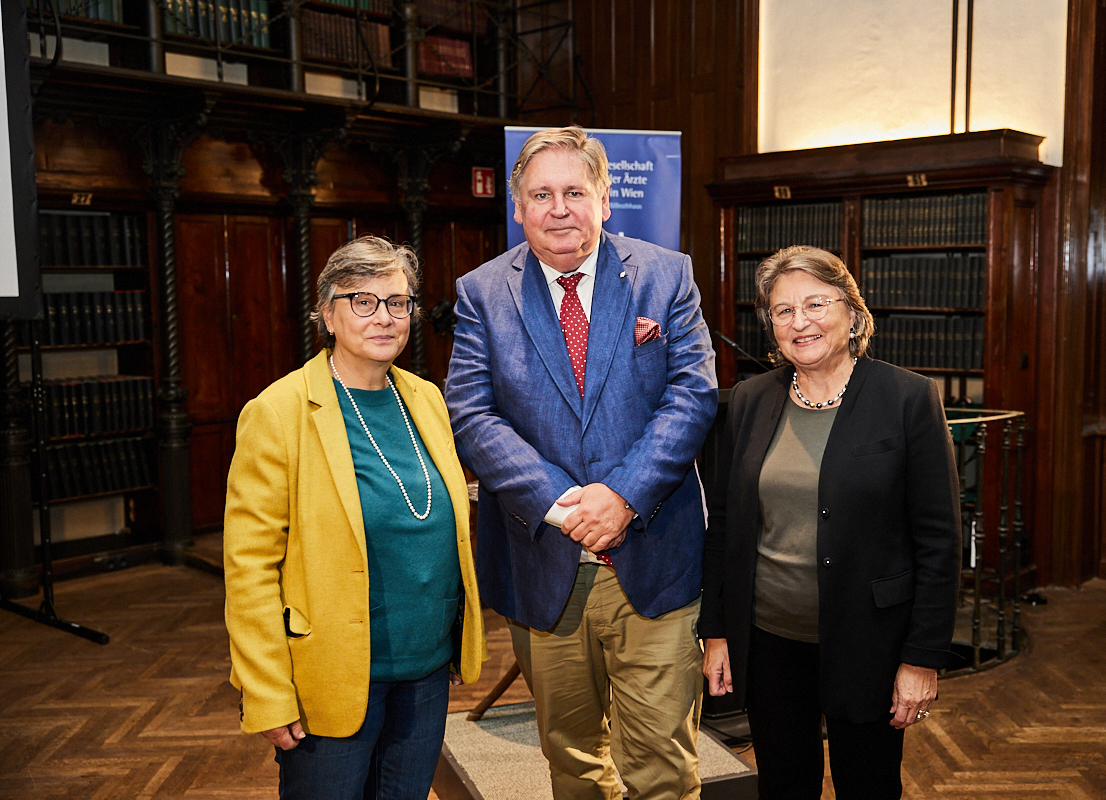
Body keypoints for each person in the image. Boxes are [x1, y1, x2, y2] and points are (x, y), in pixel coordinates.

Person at [443, 126, 718, 800]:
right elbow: (471, 413)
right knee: (572, 762)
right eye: (542, 194)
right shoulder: (482, 292)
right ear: (518, 207)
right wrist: (562, 504)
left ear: (604, 199)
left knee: (662, 766)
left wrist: (622, 495)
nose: (559, 208)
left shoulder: (666, 274)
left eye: (574, 191)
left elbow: (693, 394)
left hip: (653, 559)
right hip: (545, 564)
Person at [223, 236, 486, 800]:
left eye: (398, 302)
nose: (384, 317)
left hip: (425, 670)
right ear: (328, 313)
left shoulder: (426, 399)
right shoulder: (278, 412)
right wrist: (267, 691)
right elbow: (249, 570)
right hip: (332, 674)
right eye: (363, 301)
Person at [699, 245, 961, 800]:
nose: (800, 322)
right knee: (783, 785)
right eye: (783, 310)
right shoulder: (748, 400)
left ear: (852, 312)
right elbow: (724, 525)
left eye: (816, 304)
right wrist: (717, 632)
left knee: (868, 786)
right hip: (769, 643)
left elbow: (939, 542)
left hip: (869, 641)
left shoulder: (907, 398)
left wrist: (921, 658)